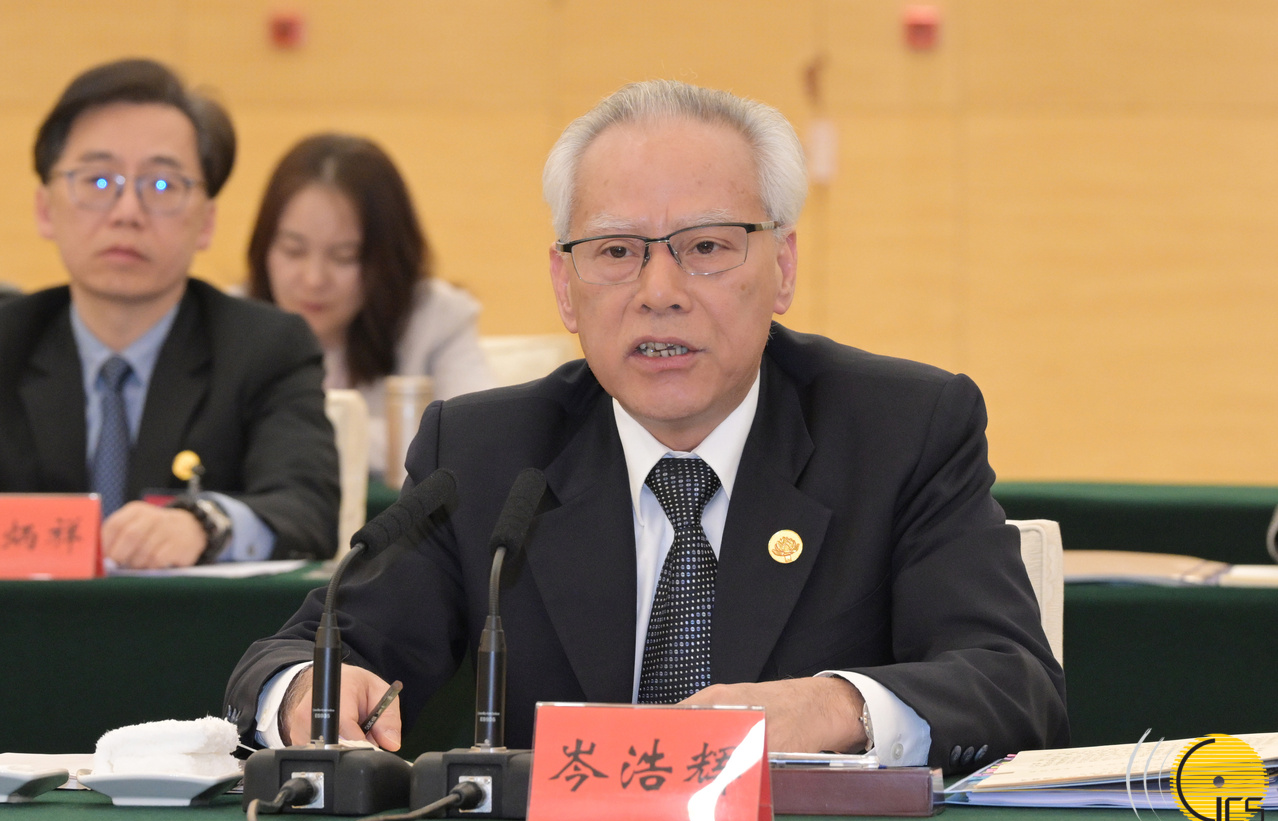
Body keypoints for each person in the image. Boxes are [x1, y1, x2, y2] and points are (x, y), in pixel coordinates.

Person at [226, 80, 1068, 770]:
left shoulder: (900, 432)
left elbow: (1012, 684)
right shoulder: (485, 456)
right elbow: (293, 656)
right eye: (616, 251)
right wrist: (305, 693)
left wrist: (834, 705)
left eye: (706, 247)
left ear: (782, 267)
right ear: (565, 287)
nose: (659, 291)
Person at [0, 58, 339, 569]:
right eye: (98, 181)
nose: (127, 213)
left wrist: (205, 523)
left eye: (161, 185)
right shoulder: (8, 343)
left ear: (206, 222)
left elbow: (308, 509)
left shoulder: (266, 348)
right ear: (46, 210)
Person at [246, 133, 496, 476]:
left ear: (387, 259)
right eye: (294, 251)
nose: (314, 279)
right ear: (264, 248)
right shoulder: (229, 321)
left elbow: (482, 442)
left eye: (344, 257)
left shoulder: (436, 319)